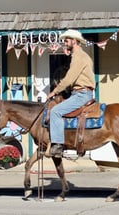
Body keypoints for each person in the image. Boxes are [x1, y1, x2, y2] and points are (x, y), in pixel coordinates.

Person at [47, 29, 96, 158]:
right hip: (81, 92)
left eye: (67, 40)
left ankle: (57, 145)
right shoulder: (82, 56)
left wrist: (54, 92)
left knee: (55, 112)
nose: (65, 43)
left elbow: (69, 79)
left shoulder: (78, 56)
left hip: (81, 94)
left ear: (74, 41)